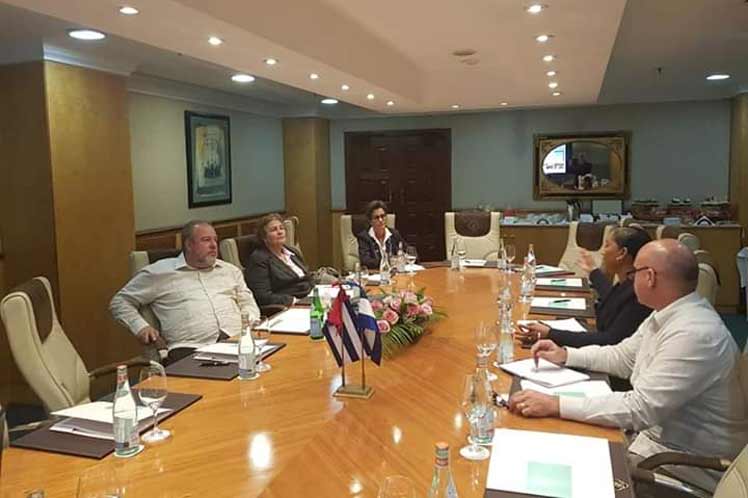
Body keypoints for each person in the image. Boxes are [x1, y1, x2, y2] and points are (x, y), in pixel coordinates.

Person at [509, 239, 748, 492]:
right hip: (652, 443)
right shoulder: (668, 313)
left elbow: (640, 409)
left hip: (678, 464)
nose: (629, 279)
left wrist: (554, 404)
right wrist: (566, 355)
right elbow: (623, 357)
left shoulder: (694, 334)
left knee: (548, 468)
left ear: (650, 277)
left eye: (634, 272)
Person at [110, 220, 260, 364]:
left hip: (237, 342)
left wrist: (249, 325)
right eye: (206, 240)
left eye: (215, 239)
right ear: (189, 244)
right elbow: (120, 302)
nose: (214, 245)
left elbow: (247, 302)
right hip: (191, 349)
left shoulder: (230, 270)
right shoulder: (159, 273)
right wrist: (141, 327)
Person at [516, 227, 652, 348]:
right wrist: (593, 272)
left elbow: (610, 340)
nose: (603, 252)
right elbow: (613, 298)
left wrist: (550, 333)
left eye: (607, 246)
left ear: (622, 253)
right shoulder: (628, 283)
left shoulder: (639, 293)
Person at [246, 213, 313, 307]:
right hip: (289, 305)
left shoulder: (292, 251)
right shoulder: (259, 259)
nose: (280, 232)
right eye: (274, 230)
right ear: (264, 237)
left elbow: (308, 277)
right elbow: (262, 296)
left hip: (310, 297)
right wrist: (293, 301)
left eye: (281, 228)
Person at [356, 200, 404, 270]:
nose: (381, 220)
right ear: (370, 221)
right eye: (376, 217)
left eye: (383, 216)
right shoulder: (364, 237)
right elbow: (365, 261)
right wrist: (389, 261)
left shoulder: (394, 234)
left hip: (395, 273)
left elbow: (407, 251)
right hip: (375, 274)